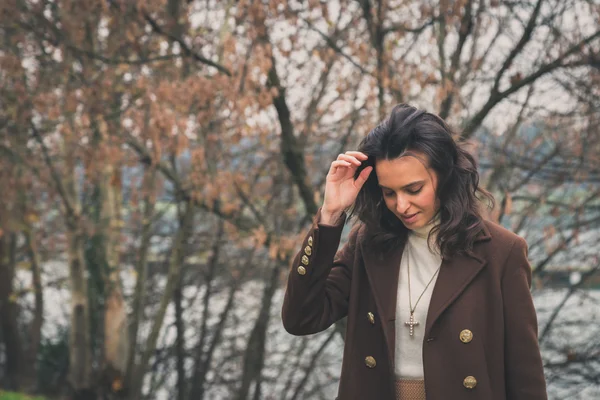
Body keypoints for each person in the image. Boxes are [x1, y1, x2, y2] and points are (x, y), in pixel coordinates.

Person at [281, 104, 547, 400]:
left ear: (445, 175)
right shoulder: (368, 244)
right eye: (389, 193)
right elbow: (301, 318)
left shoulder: (502, 252)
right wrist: (330, 215)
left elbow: (526, 376)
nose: (401, 206)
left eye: (414, 189)